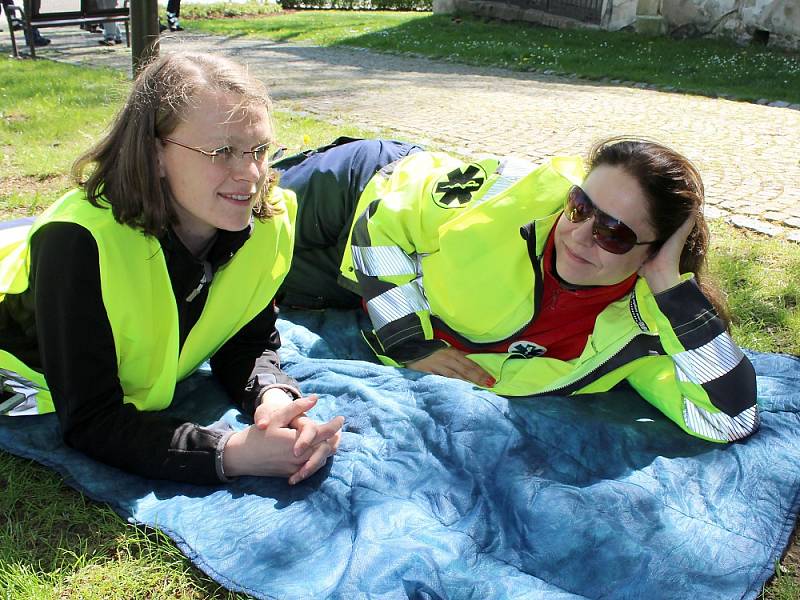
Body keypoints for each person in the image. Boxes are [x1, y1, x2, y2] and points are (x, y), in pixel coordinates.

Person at [0, 52, 343, 485]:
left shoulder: (269, 221)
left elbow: (246, 342)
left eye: (259, 149)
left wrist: (273, 400)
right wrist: (231, 453)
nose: (251, 174)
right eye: (222, 151)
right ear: (154, 154)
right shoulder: (77, 244)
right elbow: (90, 418)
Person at [277, 138, 759, 443]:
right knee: (219, 233)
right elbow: (384, 221)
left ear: (654, 256)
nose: (579, 234)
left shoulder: (645, 329)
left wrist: (674, 294)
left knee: (233, 280)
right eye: (580, 207)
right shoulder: (518, 197)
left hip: (358, 284)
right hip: (360, 191)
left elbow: (726, 419)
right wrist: (411, 343)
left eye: (614, 233)